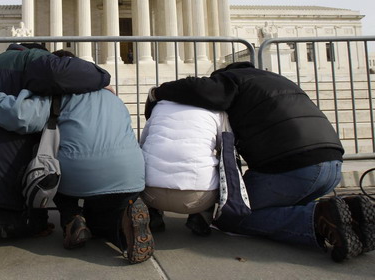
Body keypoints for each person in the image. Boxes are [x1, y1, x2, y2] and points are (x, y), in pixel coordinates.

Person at [146, 61, 375, 262]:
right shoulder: (277, 80)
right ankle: (350, 216)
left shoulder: (232, 80)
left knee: (231, 216)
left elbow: (203, 90)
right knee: (274, 205)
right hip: (332, 165)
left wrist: (158, 92)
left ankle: (318, 219)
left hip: (294, 167)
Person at [0, 44, 111, 268]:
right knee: (29, 222)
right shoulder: (37, 63)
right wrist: (102, 77)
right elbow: (26, 117)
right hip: (3, 162)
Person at [0, 50, 153, 264]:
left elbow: (21, 116)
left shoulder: (57, 93)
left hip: (79, 174)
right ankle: (123, 222)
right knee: (106, 216)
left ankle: (72, 219)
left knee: (53, 171)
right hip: (131, 173)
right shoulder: (111, 95)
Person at [140, 100, 223, 236]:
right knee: (215, 166)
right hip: (197, 198)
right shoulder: (215, 110)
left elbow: (143, 142)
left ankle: (153, 214)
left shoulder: (159, 107)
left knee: (148, 160)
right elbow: (223, 146)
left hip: (151, 194)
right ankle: (200, 218)